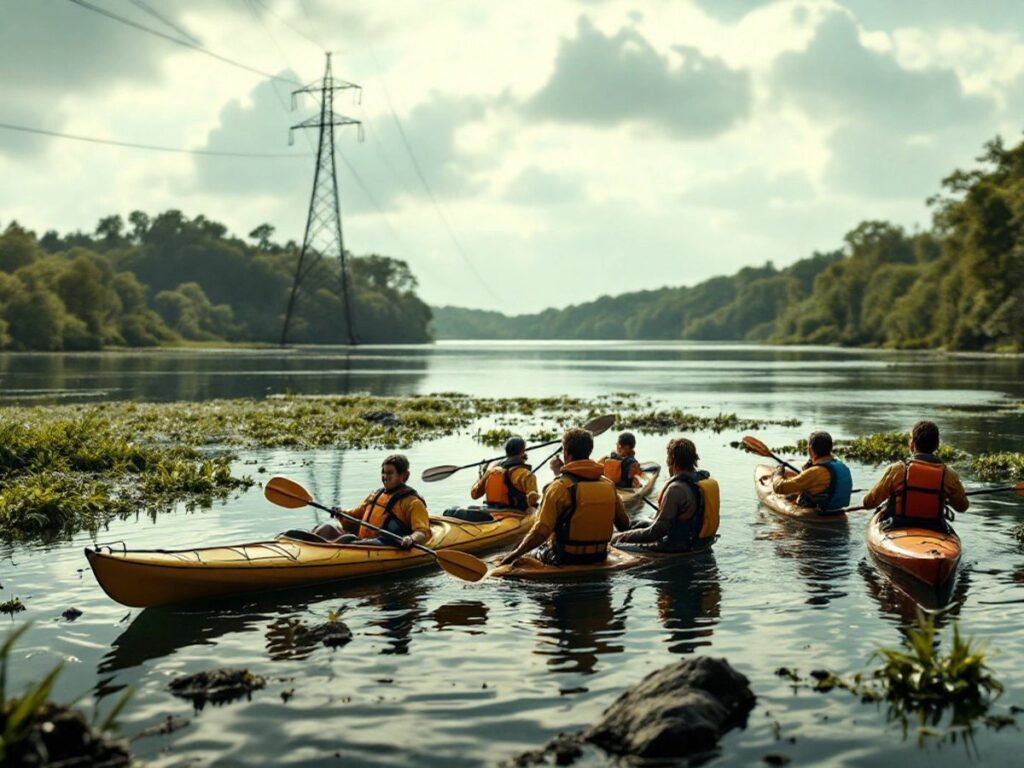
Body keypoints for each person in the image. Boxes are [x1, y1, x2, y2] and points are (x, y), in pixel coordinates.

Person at [499, 427, 630, 566]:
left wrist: (514, 555)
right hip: (599, 556)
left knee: (527, 551)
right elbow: (624, 525)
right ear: (589, 451)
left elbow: (540, 533)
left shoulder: (559, 487)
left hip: (564, 558)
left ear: (566, 453)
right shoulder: (609, 486)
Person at [613, 437, 719, 551]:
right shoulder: (701, 481)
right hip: (699, 541)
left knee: (616, 544)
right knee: (637, 523)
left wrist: (618, 537)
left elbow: (655, 532)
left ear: (671, 459)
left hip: (678, 547)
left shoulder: (676, 489)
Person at [861, 420, 968, 530]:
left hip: (899, 527)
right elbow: (962, 507)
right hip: (935, 528)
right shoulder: (949, 475)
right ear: (936, 446)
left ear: (913, 444)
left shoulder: (897, 470)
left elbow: (868, 503)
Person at [311, 454, 431, 548]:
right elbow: (355, 515)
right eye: (383, 472)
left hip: (384, 544)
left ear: (404, 476)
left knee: (348, 540)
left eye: (390, 473)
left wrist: (411, 539)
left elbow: (422, 531)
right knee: (325, 528)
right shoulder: (375, 495)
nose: (385, 476)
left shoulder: (413, 503)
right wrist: (340, 513)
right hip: (362, 541)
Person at [770, 431, 853, 514]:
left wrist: (778, 473)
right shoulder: (841, 465)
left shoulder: (815, 472)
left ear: (811, 449)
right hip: (836, 509)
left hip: (816, 513)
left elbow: (780, 487)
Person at [469, 436, 540, 511]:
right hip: (516, 515)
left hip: (491, 512)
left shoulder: (492, 471)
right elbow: (533, 501)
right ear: (523, 451)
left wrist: (483, 475)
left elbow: (475, 494)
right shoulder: (527, 475)